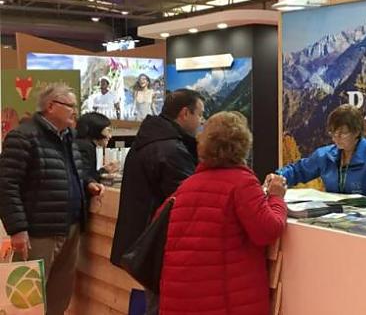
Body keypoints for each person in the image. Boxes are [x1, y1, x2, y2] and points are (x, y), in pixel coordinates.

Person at [159, 111, 287, 315]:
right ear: (243, 144)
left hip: (180, 298)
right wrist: (276, 197)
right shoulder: (242, 183)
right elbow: (268, 230)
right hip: (226, 302)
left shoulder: (187, 185)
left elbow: (162, 224)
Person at [0, 83, 103, 315]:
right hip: (38, 232)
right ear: (50, 107)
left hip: (71, 227)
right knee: (26, 298)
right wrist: (17, 229)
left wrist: (88, 183)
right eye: (70, 106)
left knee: (60, 294)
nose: (75, 112)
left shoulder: (69, 137)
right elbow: (7, 185)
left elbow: (73, 170)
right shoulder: (23, 136)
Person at [110, 89, 205, 315]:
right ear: (184, 113)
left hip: (143, 242)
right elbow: (189, 199)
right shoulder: (170, 149)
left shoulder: (152, 139)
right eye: (199, 114)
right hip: (158, 244)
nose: (201, 121)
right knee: (160, 306)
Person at [270, 104, 366, 197]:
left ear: (356, 132)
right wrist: (278, 176)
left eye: (342, 133)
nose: (335, 138)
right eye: (332, 132)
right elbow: (298, 170)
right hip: (335, 219)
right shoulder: (325, 156)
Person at [74, 112, 119, 184]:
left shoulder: (84, 144)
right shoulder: (86, 146)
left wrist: (104, 170)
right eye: (108, 131)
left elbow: (88, 174)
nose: (110, 136)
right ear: (96, 129)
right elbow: (84, 178)